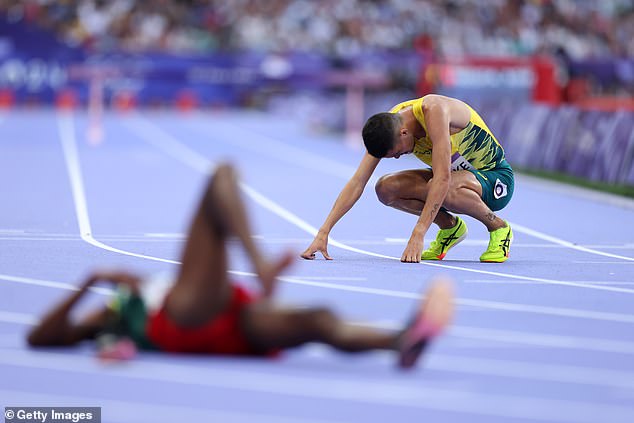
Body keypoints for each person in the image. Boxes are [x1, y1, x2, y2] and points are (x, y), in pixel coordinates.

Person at [27, 163, 454, 369]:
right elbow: (38, 338)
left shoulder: (119, 312)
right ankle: (260, 267)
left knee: (318, 320)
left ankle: (398, 341)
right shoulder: (112, 317)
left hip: (229, 321)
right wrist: (91, 280)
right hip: (180, 317)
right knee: (222, 178)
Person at [301, 94, 514, 263]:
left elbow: (442, 179)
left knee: (442, 186)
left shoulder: (435, 111)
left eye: (396, 152)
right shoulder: (389, 123)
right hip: (456, 179)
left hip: (495, 179)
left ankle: (499, 228)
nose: (395, 157)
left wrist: (418, 233)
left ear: (403, 133)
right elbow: (358, 181)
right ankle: (450, 227)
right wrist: (324, 231)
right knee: (386, 188)